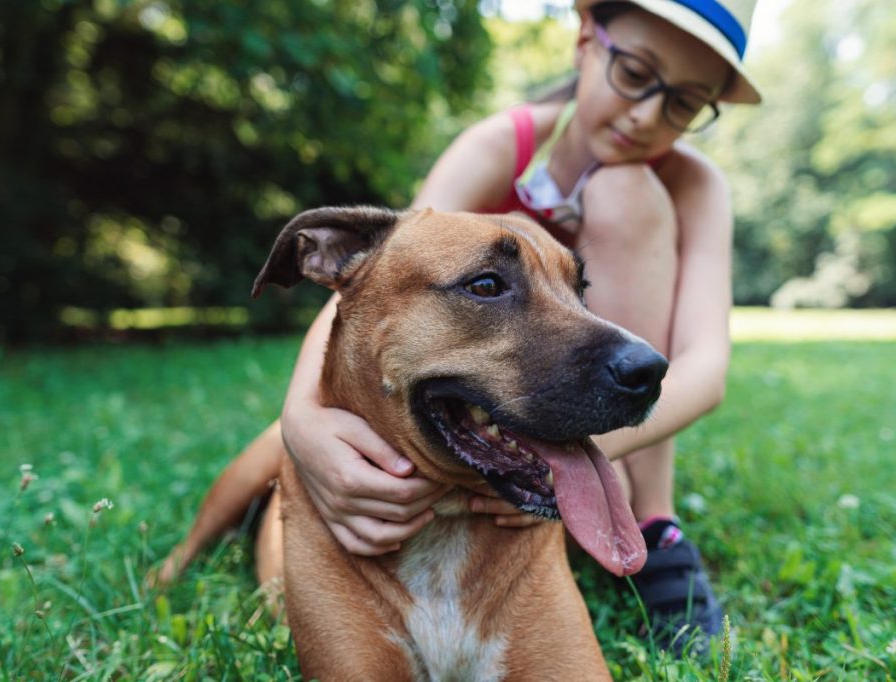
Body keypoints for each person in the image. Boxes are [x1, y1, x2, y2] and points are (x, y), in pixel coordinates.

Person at [274, 0, 761, 656]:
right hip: (496, 387)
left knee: (627, 192)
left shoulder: (696, 182)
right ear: (587, 38)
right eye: (636, 75)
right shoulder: (500, 145)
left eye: (682, 104)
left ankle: (652, 523)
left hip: (598, 407)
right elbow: (378, 282)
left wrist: (576, 466)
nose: (648, 115)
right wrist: (301, 418)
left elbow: (704, 365)